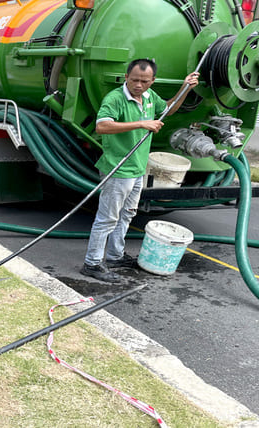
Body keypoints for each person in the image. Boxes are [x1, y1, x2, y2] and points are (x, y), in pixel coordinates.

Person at [81, 59, 199, 282]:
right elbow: (102, 126)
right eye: (134, 80)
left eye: (144, 81)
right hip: (118, 169)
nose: (138, 85)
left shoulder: (149, 96)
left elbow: (168, 109)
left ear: (152, 81)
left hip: (137, 169)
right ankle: (92, 263)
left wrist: (185, 89)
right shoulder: (115, 98)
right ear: (126, 77)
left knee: (127, 214)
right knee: (107, 218)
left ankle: (115, 256)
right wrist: (142, 123)